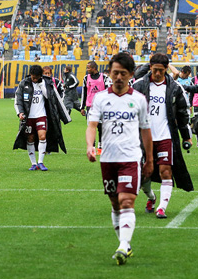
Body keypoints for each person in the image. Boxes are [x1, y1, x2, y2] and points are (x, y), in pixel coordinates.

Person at [86, 53, 152, 265]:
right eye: (115, 73)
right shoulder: (100, 99)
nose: (118, 77)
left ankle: (123, 246)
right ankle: (125, 242)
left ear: (131, 75)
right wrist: (90, 146)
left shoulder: (139, 100)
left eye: (123, 73)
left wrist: (149, 159)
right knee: (115, 203)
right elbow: (92, 125)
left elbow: (145, 130)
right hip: (108, 158)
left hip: (131, 157)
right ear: (109, 73)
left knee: (127, 200)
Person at [133, 53, 194, 218]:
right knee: (143, 174)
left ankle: (162, 208)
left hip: (166, 136)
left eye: (161, 70)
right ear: (150, 67)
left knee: (166, 171)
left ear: (166, 69)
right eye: (155, 70)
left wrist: (186, 136)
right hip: (143, 138)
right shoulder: (139, 86)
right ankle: (151, 198)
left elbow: (183, 113)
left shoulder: (174, 88)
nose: (158, 73)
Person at [13, 65, 71, 171]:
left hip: (41, 115)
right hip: (28, 116)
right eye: (33, 77)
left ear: (40, 76)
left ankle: (41, 162)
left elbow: (50, 96)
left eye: (36, 77)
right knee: (30, 138)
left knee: (42, 136)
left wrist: (41, 85)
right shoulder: (24, 83)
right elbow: (18, 99)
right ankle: (33, 163)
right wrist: (20, 113)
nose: (34, 79)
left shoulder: (46, 83)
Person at [81, 61, 112, 154]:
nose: (87, 70)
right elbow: (84, 92)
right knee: (92, 127)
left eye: (88, 68)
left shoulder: (104, 77)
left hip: (102, 106)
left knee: (101, 127)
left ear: (94, 68)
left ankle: (101, 147)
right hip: (91, 106)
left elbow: (108, 91)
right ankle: (92, 148)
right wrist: (82, 107)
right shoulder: (86, 78)